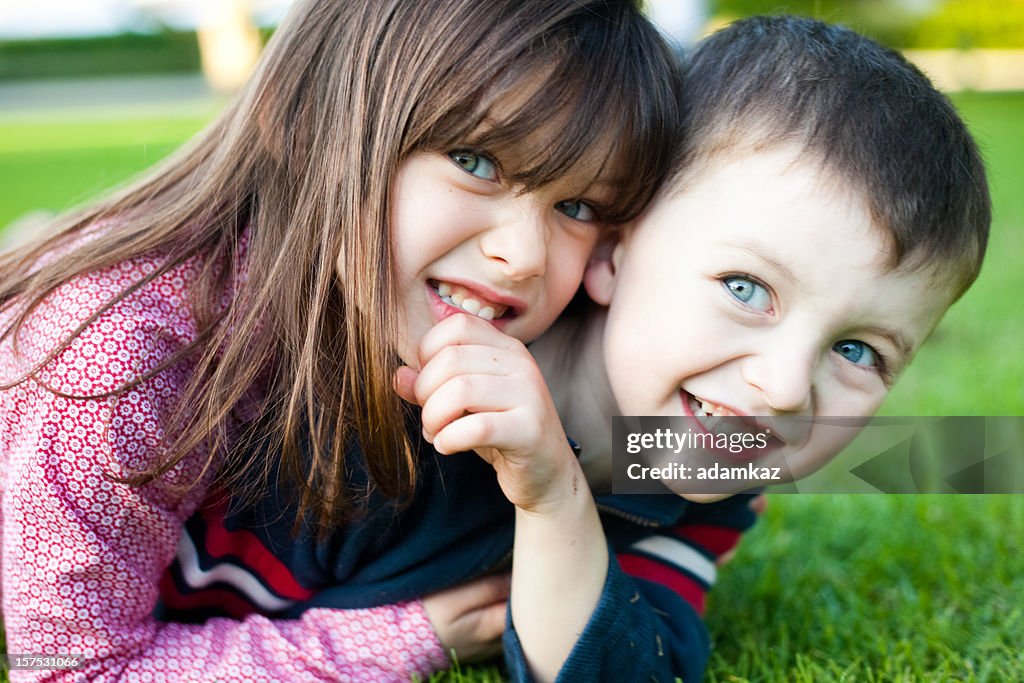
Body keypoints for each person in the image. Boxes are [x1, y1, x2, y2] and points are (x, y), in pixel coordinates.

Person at [0, 0, 682, 680]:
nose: (526, 255)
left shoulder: (408, 315)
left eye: (577, 206)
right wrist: (405, 636)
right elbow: (66, 667)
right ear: (306, 125)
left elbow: (763, 445)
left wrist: (753, 445)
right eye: (475, 161)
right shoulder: (119, 354)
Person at [398, 14, 990, 681]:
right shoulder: (419, 356)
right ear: (615, 250)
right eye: (745, 287)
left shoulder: (702, 496)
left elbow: (629, 671)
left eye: (857, 351)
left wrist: (554, 499)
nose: (789, 387)